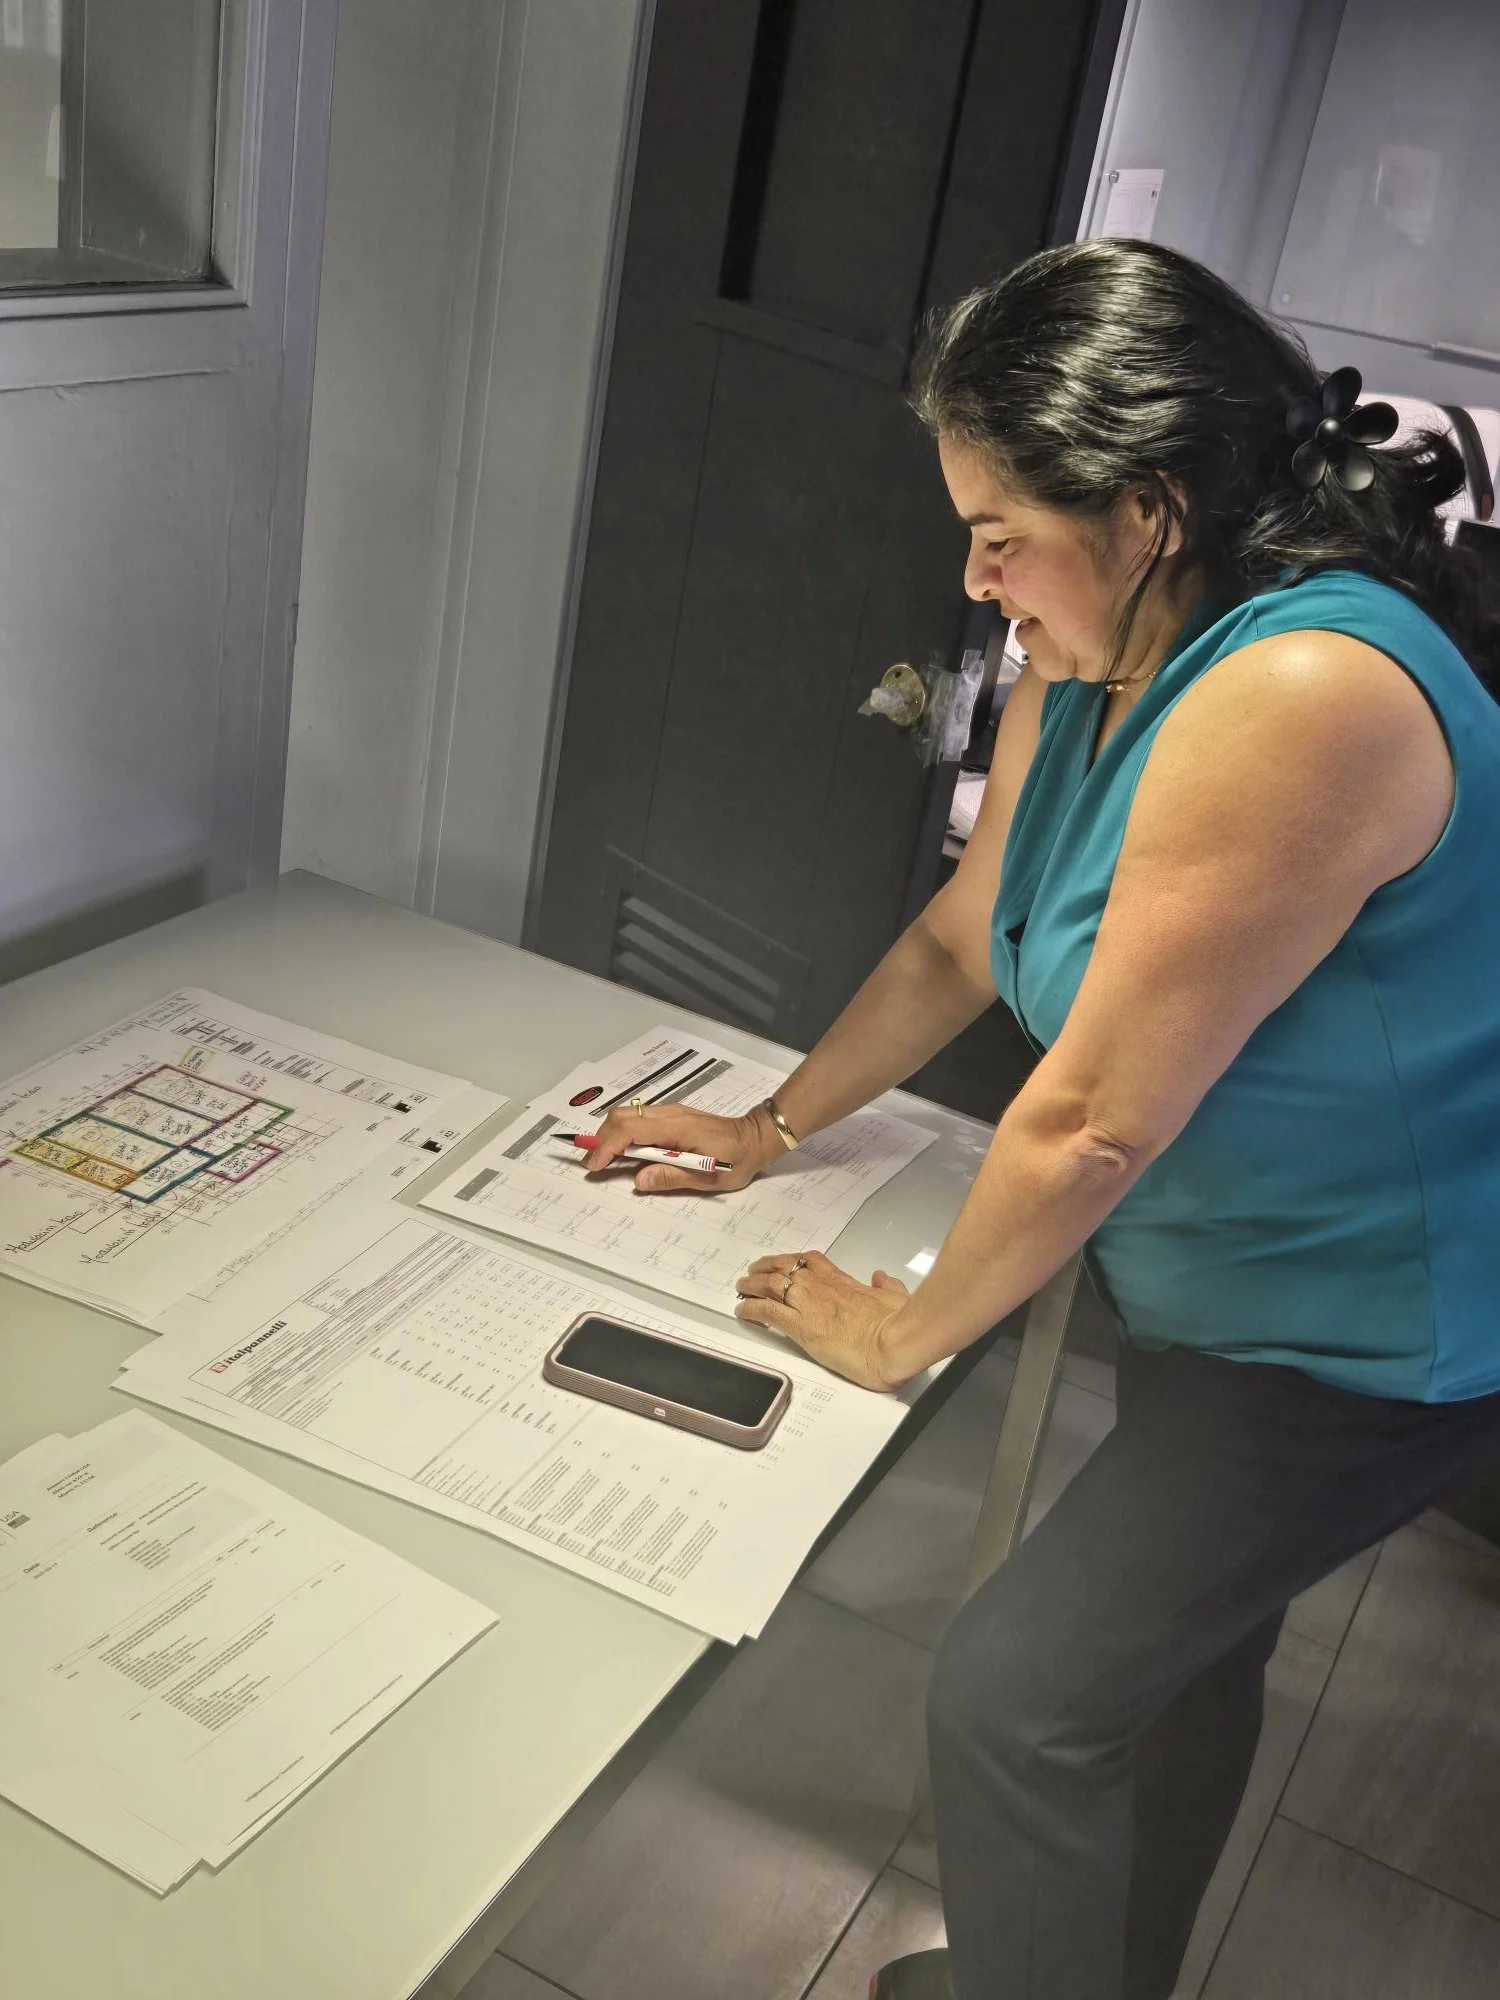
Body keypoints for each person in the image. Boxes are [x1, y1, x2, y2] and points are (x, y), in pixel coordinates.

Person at [582, 237, 1500, 2000]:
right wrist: (769, 1124)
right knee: (1172, 1669)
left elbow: (1088, 1123)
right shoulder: (1097, 664)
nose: (974, 575)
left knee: (1019, 1699)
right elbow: (961, 935)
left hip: (1379, 1324)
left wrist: (902, 1330)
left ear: (1149, 510)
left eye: (1002, 531)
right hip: (1224, 1279)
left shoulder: (1305, 692)